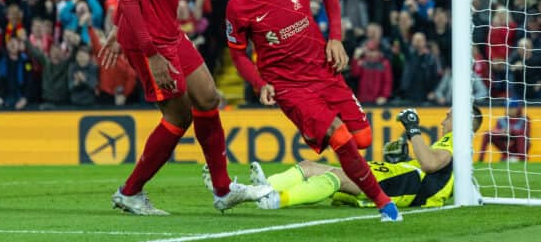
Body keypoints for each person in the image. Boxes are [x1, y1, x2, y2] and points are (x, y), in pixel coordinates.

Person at [98, 0, 271, 215]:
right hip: (150, 41)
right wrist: (149, 52)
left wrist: (117, 28)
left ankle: (223, 190)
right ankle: (130, 192)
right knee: (178, 116)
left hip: (170, 33)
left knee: (208, 96)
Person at [224, 0, 402, 221]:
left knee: (363, 139)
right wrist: (259, 83)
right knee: (339, 135)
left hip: (324, 71)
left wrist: (335, 37)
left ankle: (285, 179)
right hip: (288, 86)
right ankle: (385, 204)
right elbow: (238, 53)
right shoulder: (238, 7)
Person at [204, 106, 482, 209]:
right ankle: (261, 188)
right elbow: (441, 170)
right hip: (401, 177)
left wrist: (412, 128)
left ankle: (274, 198)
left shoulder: (458, 138)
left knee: (333, 177)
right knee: (308, 165)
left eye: (450, 114)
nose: (446, 117)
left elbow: (431, 164)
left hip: (404, 183)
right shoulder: (458, 147)